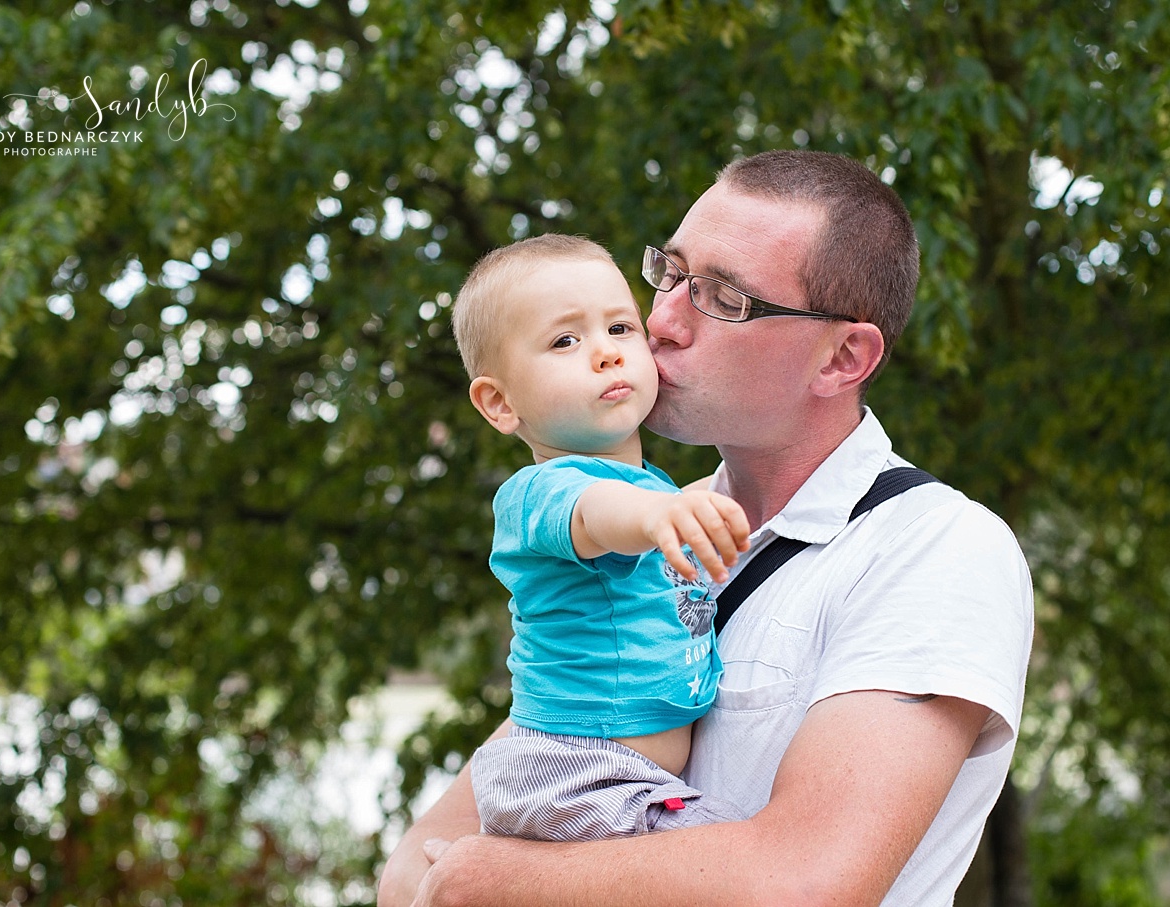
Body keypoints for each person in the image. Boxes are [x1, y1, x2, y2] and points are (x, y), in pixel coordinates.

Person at [378, 149, 1034, 907]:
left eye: (724, 297)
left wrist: (494, 879)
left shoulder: (936, 549)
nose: (660, 322)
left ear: (842, 357)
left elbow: (807, 883)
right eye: (670, 273)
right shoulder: (644, 530)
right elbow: (419, 866)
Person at [449, 234, 751, 841]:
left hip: (625, 780)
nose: (606, 354)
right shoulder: (537, 494)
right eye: (565, 340)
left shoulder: (654, 487)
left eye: (620, 328)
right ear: (500, 403)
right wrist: (656, 517)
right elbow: (593, 515)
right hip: (574, 775)